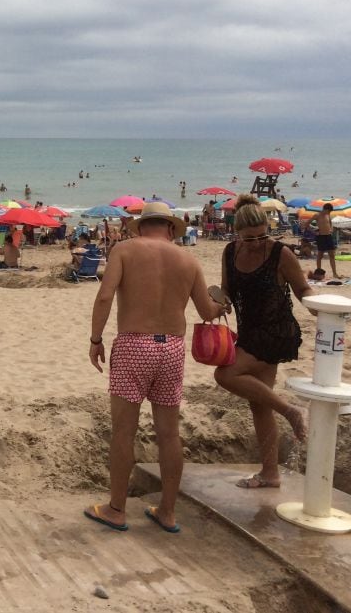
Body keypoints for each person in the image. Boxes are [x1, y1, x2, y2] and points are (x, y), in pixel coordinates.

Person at [84, 202, 225, 534]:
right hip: (172, 348)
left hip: (134, 344)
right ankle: (167, 511)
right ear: (172, 229)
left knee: (124, 431)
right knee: (169, 434)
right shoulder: (188, 259)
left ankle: (116, 510)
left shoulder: (125, 250)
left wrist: (95, 339)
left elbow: (105, 296)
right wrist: (223, 304)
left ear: (140, 227)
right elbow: (207, 310)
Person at [215, 194, 313, 489]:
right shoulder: (230, 252)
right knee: (259, 404)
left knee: (225, 374)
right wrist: (219, 303)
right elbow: (226, 291)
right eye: (249, 238)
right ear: (237, 233)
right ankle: (270, 473)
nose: (257, 243)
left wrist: (322, 307)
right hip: (249, 331)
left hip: (277, 331)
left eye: (262, 236)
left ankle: (291, 412)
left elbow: (303, 289)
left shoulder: (280, 253)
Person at [312, 203, 340, 280]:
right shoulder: (317, 215)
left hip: (328, 236)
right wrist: (314, 232)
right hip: (321, 237)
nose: (329, 213)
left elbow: (330, 223)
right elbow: (307, 224)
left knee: (332, 255)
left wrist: (331, 229)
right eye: (329, 211)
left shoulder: (328, 215)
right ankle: (318, 273)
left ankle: (334, 273)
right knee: (320, 255)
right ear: (326, 209)